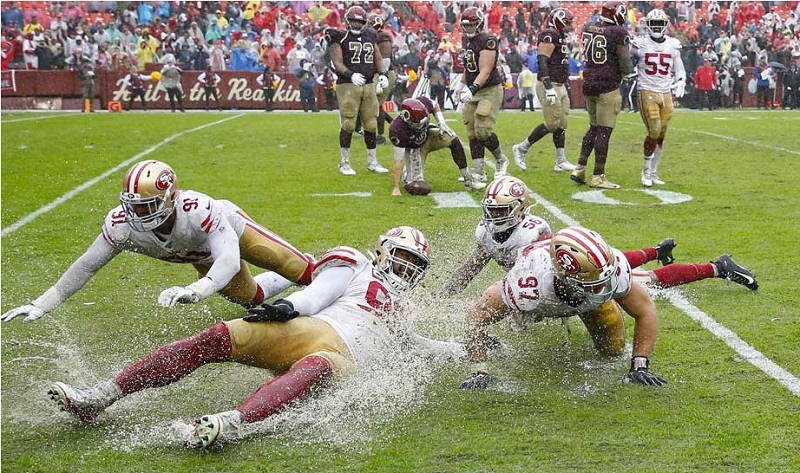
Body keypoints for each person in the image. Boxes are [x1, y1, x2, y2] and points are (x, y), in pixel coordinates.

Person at [47, 226, 437, 448]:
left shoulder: (403, 311)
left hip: (341, 361)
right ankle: (98, 397)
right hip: (309, 328)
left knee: (316, 367)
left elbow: (415, 345)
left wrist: (470, 347)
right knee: (212, 339)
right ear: (383, 251)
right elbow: (320, 293)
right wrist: (289, 308)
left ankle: (231, 422)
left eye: (414, 266)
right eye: (402, 258)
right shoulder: (357, 264)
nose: (406, 270)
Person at [2, 160, 316, 325]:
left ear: (171, 196)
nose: (137, 213)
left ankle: (337, 281)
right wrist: (41, 304)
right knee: (249, 298)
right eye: (133, 205)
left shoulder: (198, 210)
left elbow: (230, 260)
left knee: (300, 269)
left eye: (147, 205)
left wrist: (196, 291)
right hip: (202, 255)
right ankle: (299, 283)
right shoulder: (122, 226)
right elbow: (86, 265)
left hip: (230, 236)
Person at [437, 176, 759, 297]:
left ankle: (718, 267)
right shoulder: (485, 232)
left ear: (520, 209)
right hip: (570, 272)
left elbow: (550, 275)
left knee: (643, 284)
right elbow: (474, 264)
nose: (494, 218)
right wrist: (447, 291)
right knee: (617, 257)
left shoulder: (534, 232)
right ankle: (657, 249)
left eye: (501, 211)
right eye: (491, 211)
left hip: (577, 276)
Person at [570, 1, 632, 190]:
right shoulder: (618, 32)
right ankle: (598, 175)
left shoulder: (589, 26)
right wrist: (627, 74)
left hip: (589, 82)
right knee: (604, 131)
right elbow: (624, 60)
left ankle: (579, 168)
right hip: (607, 84)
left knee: (593, 128)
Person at [511, 8, 578, 174]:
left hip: (560, 84)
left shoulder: (560, 37)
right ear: (559, 22)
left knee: (562, 123)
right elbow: (542, 60)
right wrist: (548, 85)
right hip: (550, 84)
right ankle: (521, 148)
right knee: (552, 123)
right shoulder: (549, 34)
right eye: (568, 22)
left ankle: (560, 161)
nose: (570, 26)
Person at [325, 6, 390, 175]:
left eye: (359, 21)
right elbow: (337, 62)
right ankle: (344, 163)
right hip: (348, 84)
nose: (356, 23)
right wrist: (350, 74)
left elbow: (377, 57)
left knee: (371, 123)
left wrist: (383, 74)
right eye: (353, 20)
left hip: (368, 84)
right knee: (348, 122)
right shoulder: (339, 36)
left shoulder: (370, 35)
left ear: (364, 22)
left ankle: (372, 162)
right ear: (347, 20)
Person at [631, 8, 687, 188]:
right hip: (647, 90)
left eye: (659, 24)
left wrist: (681, 81)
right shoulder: (639, 43)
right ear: (647, 25)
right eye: (653, 24)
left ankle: (654, 172)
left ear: (665, 25)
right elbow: (625, 60)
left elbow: (679, 68)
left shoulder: (672, 44)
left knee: (661, 134)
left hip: (666, 92)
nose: (656, 27)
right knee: (654, 130)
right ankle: (645, 170)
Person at [453, 7, 510, 184]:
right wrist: (461, 85)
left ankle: (501, 159)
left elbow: (485, 70)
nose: (468, 29)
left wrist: (471, 88)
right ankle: (479, 172)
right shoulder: (465, 40)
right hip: (474, 87)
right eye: (465, 26)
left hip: (489, 89)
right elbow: (469, 67)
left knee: (483, 129)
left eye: (471, 26)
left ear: (479, 25)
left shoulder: (488, 40)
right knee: (471, 130)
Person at [390, 97, 486, 196]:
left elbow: (435, 105)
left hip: (428, 135)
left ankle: (468, 179)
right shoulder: (397, 131)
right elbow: (398, 160)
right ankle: (408, 174)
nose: (420, 126)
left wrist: (441, 123)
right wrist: (396, 187)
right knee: (418, 187)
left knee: (452, 138)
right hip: (415, 149)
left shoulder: (423, 103)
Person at [368, 13, 395, 145]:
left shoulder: (382, 37)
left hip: (384, 73)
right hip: (379, 73)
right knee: (374, 105)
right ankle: (395, 125)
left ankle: (381, 135)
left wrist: (382, 75)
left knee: (377, 105)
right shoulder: (374, 36)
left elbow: (385, 59)